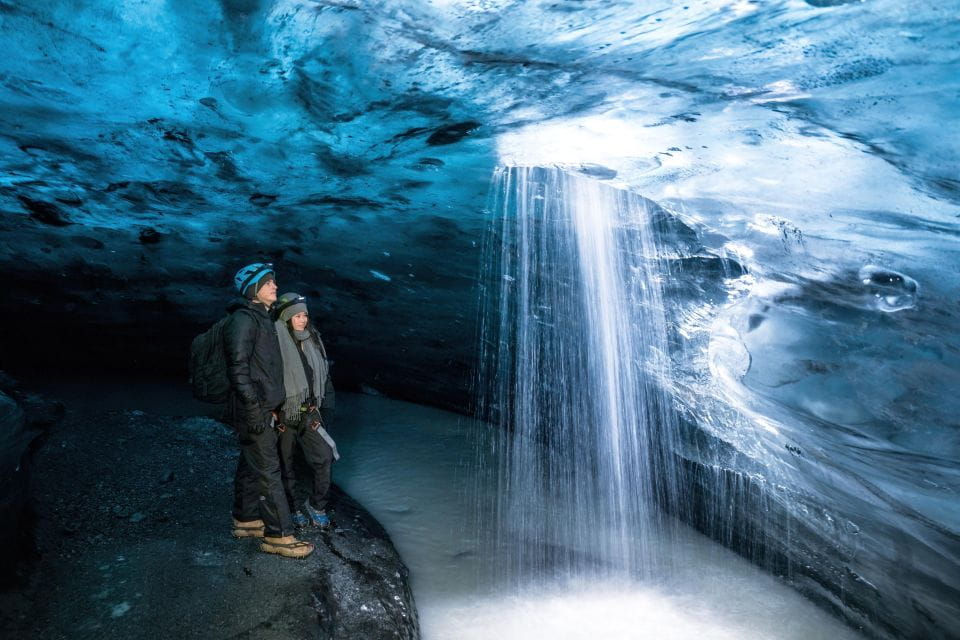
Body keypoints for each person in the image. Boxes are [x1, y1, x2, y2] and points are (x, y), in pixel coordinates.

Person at [224, 263, 314, 558]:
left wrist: (271, 406)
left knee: (251, 465)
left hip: (263, 408)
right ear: (252, 289)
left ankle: (246, 519)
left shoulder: (262, 318)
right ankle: (279, 536)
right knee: (269, 470)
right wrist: (255, 408)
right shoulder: (244, 320)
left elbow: (264, 370)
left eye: (274, 281)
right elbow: (237, 369)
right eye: (267, 283)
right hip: (255, 410)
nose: (274, 286)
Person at [272, 292, 338, 529]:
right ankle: (291, 507)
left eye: (305, 315)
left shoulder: (313, 339)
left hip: (310, 411)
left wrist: (326, 409)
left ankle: (316, 504)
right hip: (283, 414)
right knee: (284, 463)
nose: (303, 320)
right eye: (298, 315)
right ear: (287, 316)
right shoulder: (273, 339)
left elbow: (325, 376)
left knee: (325, 456)